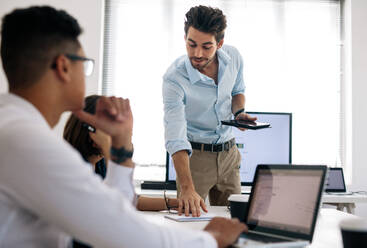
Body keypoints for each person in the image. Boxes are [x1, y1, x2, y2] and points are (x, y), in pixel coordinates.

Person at [0, 5, 247, 248]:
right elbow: (123, 234)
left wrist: (120, 149)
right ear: (64, 67)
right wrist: (211, 239)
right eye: (84, 64)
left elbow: (109, 210)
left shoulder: (14, 129)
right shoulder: (28, 143)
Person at [163, 5, 256, 217]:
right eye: (191, 44)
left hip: (229, 155)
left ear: (220, 44)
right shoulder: (174, 79)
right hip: (195, 158)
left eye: (207, 47)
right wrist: (186, 187)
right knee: (189, 221)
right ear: (184, 38)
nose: (197, 53)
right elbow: (175, 135)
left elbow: (237, 90)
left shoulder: (233, 57)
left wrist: (239, 113)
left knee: (234, 221)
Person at [63, 94, 179, 211]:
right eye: (110, 127)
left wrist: (174, 203)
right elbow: (109, 205)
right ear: (91, 130)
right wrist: (109, 147)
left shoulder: (100, 163)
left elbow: (128, 200)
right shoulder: (72, 168)